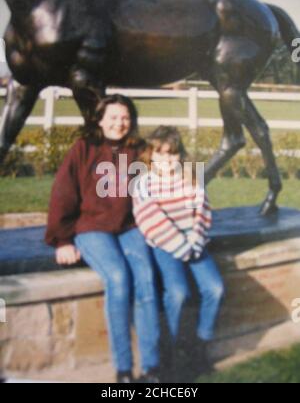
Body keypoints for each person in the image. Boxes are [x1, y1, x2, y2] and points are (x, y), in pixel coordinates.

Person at [45, 95, 160, 383]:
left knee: (145, 277)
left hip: (130, 227)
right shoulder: (83, 149)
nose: (119, 123)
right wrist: (62, 240)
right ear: (99, 119)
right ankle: (123, 369)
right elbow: (62, 194)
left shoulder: (139, 150)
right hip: (92, 227)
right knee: (119, 278)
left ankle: (152, 368)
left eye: (125, 118)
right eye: (113, 117)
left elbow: (163, 185)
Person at [133, 126, 225, 376]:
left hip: (194, 243)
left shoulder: (190, 176)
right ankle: (169, 350)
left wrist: (195, 240)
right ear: (151, 155)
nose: (167, 160)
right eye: (161, 155)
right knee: (177, 292)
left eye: (172, 155)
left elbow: (203, 211)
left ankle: (199, 346)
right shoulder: (144, 183)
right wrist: (182, 247)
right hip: (165, 245)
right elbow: (151, 220)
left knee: (214, 289)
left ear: (180, 155)